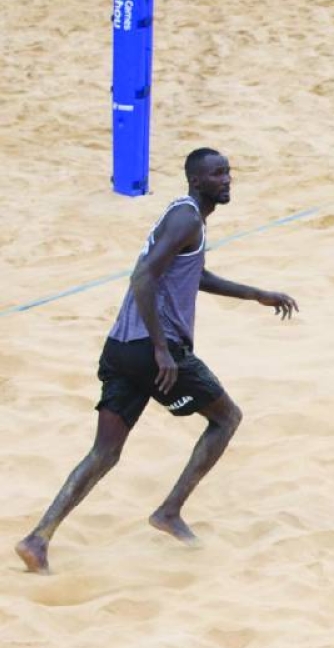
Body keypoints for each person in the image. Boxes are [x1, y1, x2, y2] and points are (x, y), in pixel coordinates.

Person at [15, 148, 298, 574]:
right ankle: (169, 511)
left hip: (122, 348)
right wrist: (163, 349)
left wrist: (256, 294)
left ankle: (38, 538)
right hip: (154, 351)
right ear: (196, 181)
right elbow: (143, 276)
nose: (227, 180)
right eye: (217, 174)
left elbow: (194, 275)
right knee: (226, 419)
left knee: (105, 452)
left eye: (228, 172)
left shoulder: (187, 221)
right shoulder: (186, 218)